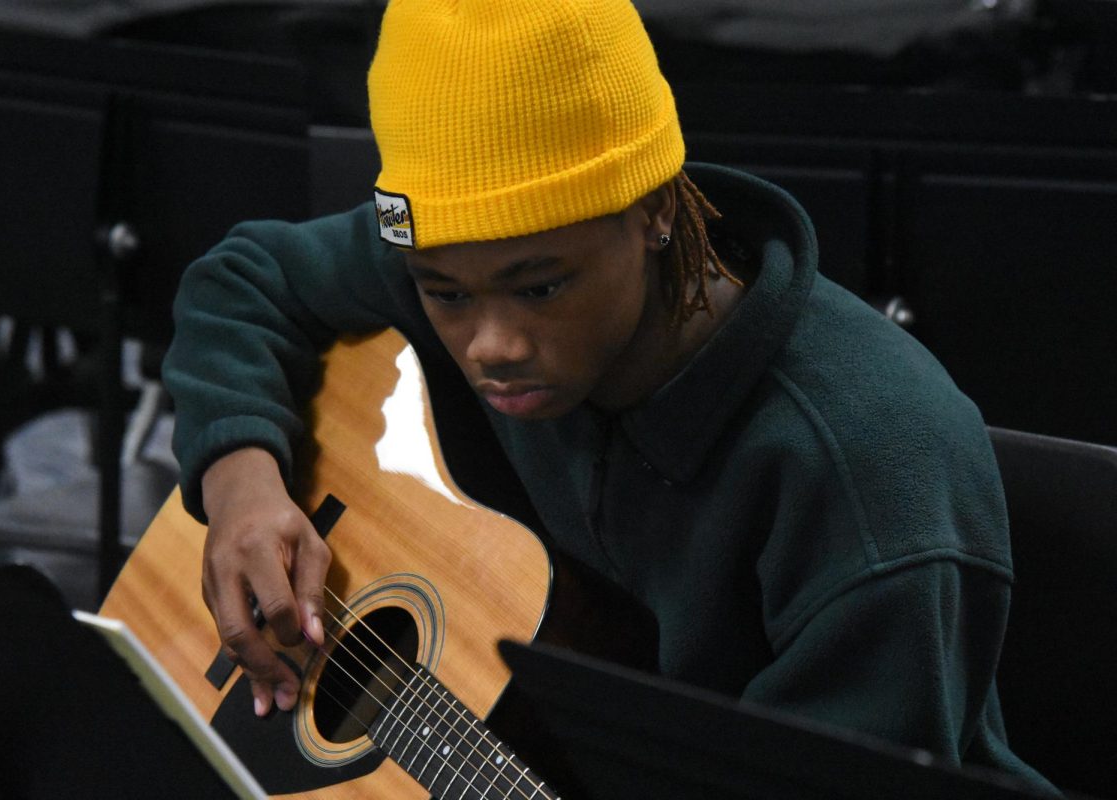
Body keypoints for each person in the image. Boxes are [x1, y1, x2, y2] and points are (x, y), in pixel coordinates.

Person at [163, 0, 1055, 793]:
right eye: (445, 294)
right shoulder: (471, 248)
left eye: (542, 288)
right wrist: (243, 487)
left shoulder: (869, 477)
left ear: (656, 211)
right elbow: (247, 276)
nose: (492, 345)